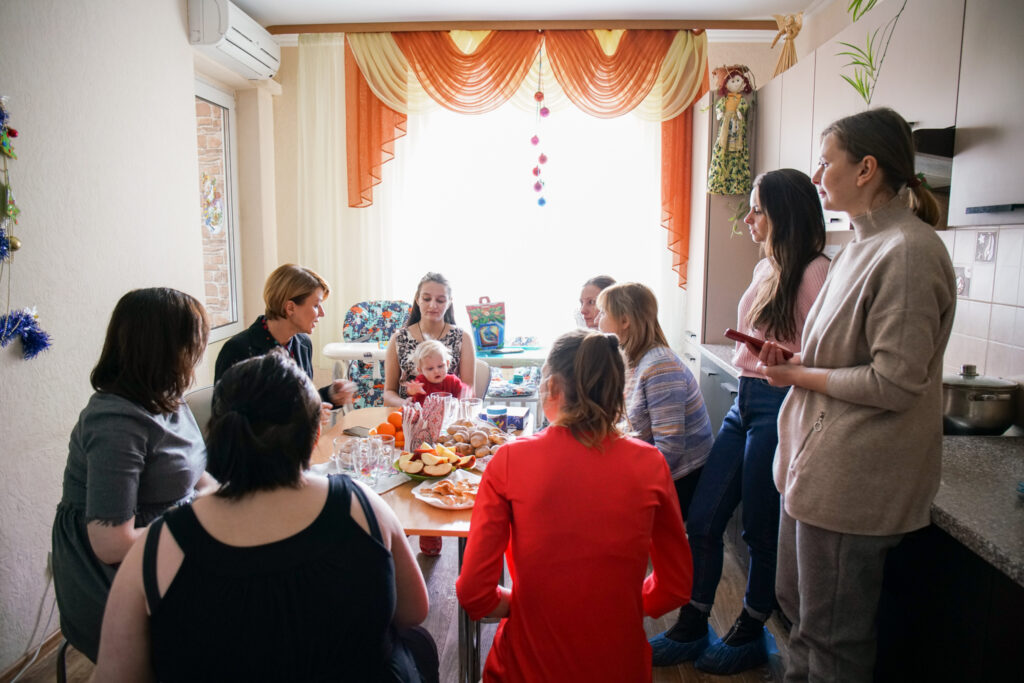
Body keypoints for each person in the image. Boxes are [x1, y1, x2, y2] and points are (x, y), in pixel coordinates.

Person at [93, 351, 436, 683]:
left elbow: (116, 675)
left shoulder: (159, 544)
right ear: (316, 433)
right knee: (420, 646)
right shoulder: (362, 504)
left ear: (219, 433)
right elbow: (414, 611)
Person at [759, 108, 955, 682]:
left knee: (832, 641)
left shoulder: (909, 252)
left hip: (855, 479)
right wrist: (795, 361)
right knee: (797, 616)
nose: (817, 176)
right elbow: (841, 360)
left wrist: (800, 377)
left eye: (827, 162)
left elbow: (894, 383)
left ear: (866, 168)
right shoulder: (857, 247)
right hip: (815, 470)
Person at [649, 169, 829, 674]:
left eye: (756, 209)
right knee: (703, 520)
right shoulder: (764, 268)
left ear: (783, 213)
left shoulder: (815, 271)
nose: (748, 218)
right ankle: (692, 624)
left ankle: (750, 628)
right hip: (745, 401)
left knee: (759, 530)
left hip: (779, 402)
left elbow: (823, 355)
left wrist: (785, 355)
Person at [456, 329, 694, 682]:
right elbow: (675, 584)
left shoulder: (509, 461)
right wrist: (612, 607)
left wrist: (521, 605)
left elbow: (474, 592)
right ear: (619, 391)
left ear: (551, 388)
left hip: (527, 667)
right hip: (619, 665)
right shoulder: (651, 464)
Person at [51, 287, 213, 662]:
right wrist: (200, 525)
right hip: (112, 574)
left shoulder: (168, 396)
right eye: (195, 340)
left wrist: (230, 503)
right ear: (165, 347)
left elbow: (197, 474)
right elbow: (111, 544)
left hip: (168, 543)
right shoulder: (115, 423)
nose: (200, 350)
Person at [597, 282, 714, 516]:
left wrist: (625, 484)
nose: (597, 320)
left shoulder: (659, 368)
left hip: (680, 479)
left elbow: (669, 451)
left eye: (602, 313)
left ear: (625, 321)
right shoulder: (637, 360)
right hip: (658, 469)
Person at [384, 272, 474, 555]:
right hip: (411, 423)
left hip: (449, 426)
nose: (433, 304)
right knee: (411, 473)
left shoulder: (461, 337)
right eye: (427, 298)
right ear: (417, 299)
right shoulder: (399, 338)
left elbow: (468, 390)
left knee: (445, 472)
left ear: (449, 302)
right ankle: (415, 531)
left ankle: (454, 531)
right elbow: (388, 392)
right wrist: (407, 405)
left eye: (440, 299)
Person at [214, 264, 354, 412]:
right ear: (290, 308)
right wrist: (304, 420)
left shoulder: (303, 344)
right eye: (316, 305)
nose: (322, 313)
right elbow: (227, 419)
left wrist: (329, 395)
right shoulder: (238, 350)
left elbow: (296, 402)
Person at [404, 340, 470, 405]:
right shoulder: (421, 382)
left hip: (448, 414)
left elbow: (464, 391)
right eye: (430, 369)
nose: (436, 371)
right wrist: (412, 390)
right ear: (420, 370)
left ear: (447, 364)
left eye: (440, 366)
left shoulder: (452, 381)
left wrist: (466, 393)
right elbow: (412, 394)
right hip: (425, 414)